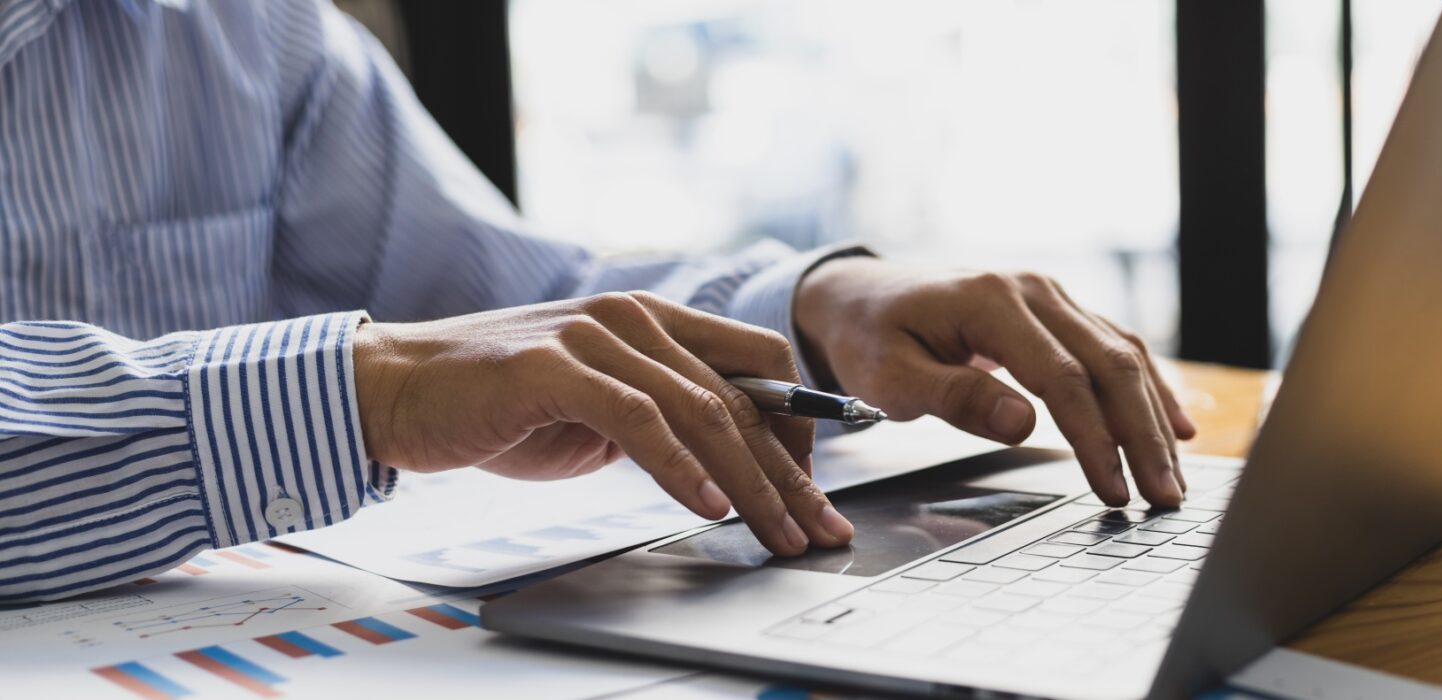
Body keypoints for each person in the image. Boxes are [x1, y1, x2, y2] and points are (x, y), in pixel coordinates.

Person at [0, 0, 1193, 603]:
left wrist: (818, 304)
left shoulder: (238, 28)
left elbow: (514, 309)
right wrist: (356, 393)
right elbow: (421, 365)